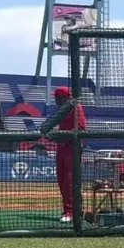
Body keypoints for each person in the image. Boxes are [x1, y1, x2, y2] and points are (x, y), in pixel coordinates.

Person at [50, 86, 87, 223]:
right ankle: (67, 210)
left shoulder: (75, 107)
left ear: (66, 98)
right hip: (62, 148)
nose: (57, 101)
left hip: (72, 148)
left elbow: (81, 128)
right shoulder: (62, 110)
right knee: (62, 180)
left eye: (59, 98)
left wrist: (63, 138)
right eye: (56, 98)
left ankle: (73, 212)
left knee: (70, 181)